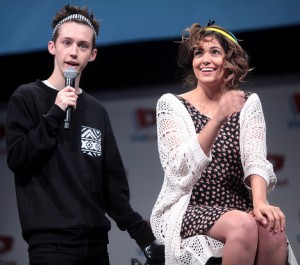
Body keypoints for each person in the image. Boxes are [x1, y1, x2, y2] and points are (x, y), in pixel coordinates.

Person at [5, 4, 164, 265]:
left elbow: (113, 187)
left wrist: (145, 237)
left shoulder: (96, 110)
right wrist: (55, 111)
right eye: (67, 42)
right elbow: (18, 158)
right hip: (50, 246)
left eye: (82, 45)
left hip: (95, 246)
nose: (73, 52)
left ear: (92, 55)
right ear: (52, 47)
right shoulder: (27, 97)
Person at [150, 21, 298, 265]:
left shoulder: (247, 102)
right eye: (199, 53)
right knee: (243, 225)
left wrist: (260, 202)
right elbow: (179, 169)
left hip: (238, 205)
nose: (205, 60)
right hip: (192, 207)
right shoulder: (171, 104)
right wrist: (217, 119)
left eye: (214, 52)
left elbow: (255, 158)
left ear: (229, 61)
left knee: (272, 230)